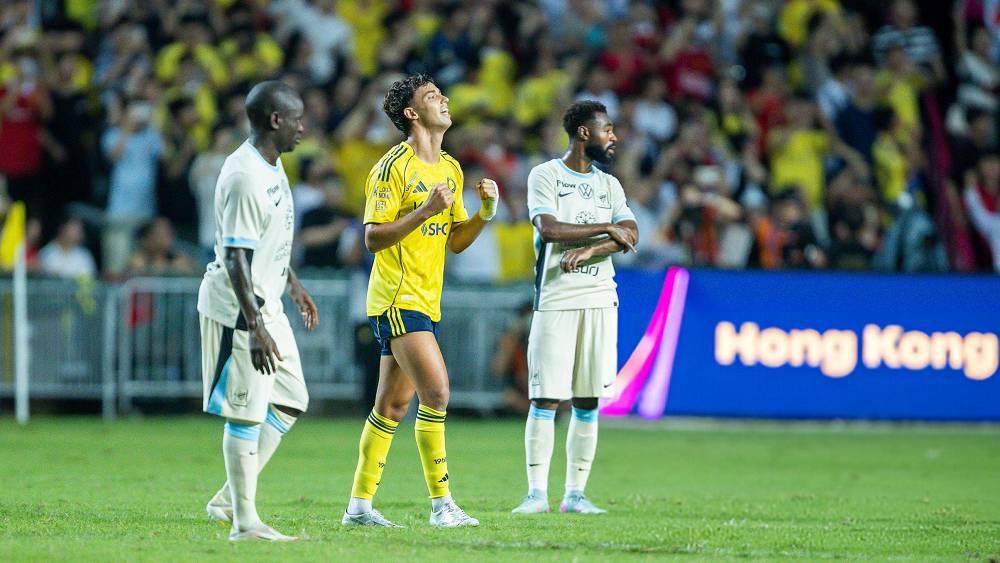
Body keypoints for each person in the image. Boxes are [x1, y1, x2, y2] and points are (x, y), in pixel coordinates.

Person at [342, 74, 498, 528]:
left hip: (427, 300)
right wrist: (425, 210)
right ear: (412, 113)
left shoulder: (451, 168)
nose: (444, 98)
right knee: (438, 392)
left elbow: (456, 241)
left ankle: (359, 508)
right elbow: (372, 238)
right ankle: (442, 505)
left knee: (390, 407)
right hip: (397, 297)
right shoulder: (392, 167)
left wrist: (486, 213)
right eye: (432, 96)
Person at [196, 81, 319, 542]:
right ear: (275, 120)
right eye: (297, 119)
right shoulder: (245, 176)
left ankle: (228, 500)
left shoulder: (272, 164)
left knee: (290, 398)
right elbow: (235, 257)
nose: (303, 128)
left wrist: (293, 283)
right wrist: (254, 326)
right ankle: (244, 523)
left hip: (267, 301)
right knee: (245, 412)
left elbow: (268, 238)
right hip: (239, 309)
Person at [513, 100, 638, 515]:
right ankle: (536, 495)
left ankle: (575, 495)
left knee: (588, 400)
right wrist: (606, 228)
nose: (614, 137)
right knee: (545, 398)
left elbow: (632, 233)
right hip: (556, 298)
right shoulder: (545, 175)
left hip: (600, 299)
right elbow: (548, 229)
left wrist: (590, 251)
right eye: (608, 129)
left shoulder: (610, 185)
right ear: (584, 133)